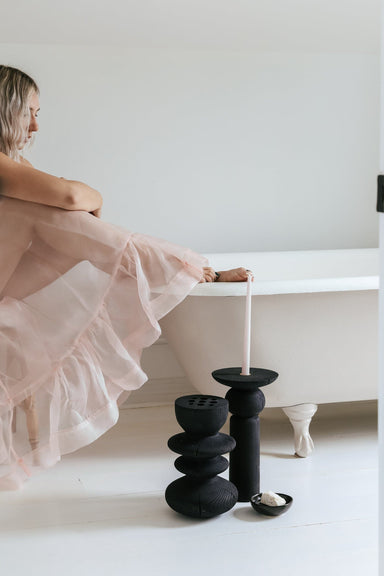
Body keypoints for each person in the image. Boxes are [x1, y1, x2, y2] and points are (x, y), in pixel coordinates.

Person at [0, 65, 251, 490]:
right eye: (30, 113)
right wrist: (94, 197)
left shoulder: (13, 165)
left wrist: (77, 202)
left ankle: (168, 265)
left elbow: (65, 194)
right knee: (57, 212)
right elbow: (72, 195)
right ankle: (178, 267)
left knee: (59, 218)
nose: (37, 125)